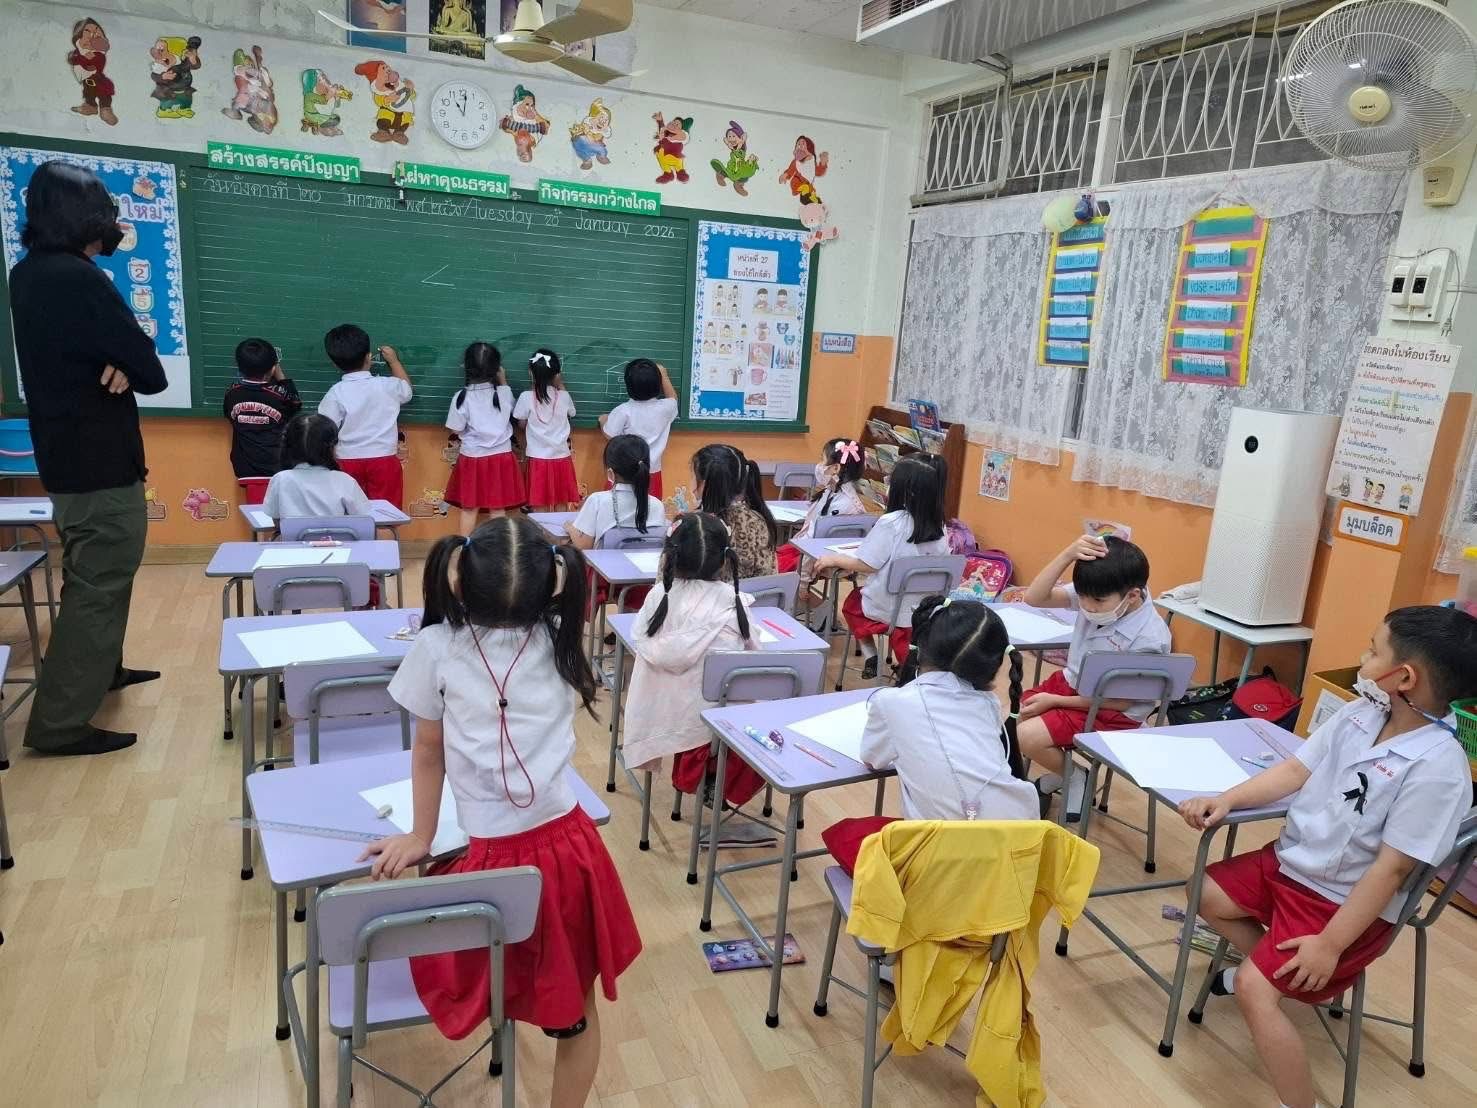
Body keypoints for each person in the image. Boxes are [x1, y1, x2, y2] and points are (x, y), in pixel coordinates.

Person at [362, 516, 641, 1108]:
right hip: (569, 853)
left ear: (456, 578)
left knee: (491, 971)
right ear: (554, 583)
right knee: (578, 1010)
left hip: (489, 867)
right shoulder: (562, 639)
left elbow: (429, 751)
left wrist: (420, 835)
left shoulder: (436, 647)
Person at [1177, 607, 1477, 1108]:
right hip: (1292, 864)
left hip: (1343, 905)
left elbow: (1391, 871)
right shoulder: (1363, 713)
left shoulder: (1437, 768)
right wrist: (1227, 799)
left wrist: (1330, 946)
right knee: (1201, 890)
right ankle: (1273, 968)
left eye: (1373, 650)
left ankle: (1300, 1100)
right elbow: (1296, 770)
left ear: (1404, 678)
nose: (1363, 657)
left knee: (1253, 991)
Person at [8, 161, 167, 756]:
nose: (115, 222)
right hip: (99, 463)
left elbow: (117, 358)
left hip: (68, 458)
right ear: (84, 218)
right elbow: (149, 368)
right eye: (105, 210)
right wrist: (129, 361)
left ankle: (103, 671)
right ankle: (60, 723)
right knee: (99, 584)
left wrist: (124, 361)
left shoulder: (29, 273)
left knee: (90, 574)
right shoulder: (78, 278)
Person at [820, 595, 1041, 874]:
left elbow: (872, 759)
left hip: (943, 867)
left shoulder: (891, 702)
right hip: (1019, 856)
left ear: (921, 649)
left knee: (846, 834)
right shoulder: (989, 704)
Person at [1018, 534, 1171, 820]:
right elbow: (1033, 597)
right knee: (1022, 714)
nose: (1087, 607)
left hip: (1112, 711)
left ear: (1132, 595)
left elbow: (1120, 703)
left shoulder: (1149, 637)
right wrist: (1068, 554)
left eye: (1097, 601)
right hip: (1075, 686)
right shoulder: (1099, 591)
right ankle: (1066, 775)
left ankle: (1075, 776)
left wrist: (1054, 701)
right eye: (1082, 597)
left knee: (1027, 736)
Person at [621, 512, 766, 809]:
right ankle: (714, 777)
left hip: (666, 718)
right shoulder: (732, 599)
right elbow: (755, 656)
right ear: (724, 561)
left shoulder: (659, 597)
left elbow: (641, 642)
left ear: (669, 557)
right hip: (722, 729)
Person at [814, 454, 950, 679]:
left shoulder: (891, 523)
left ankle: (871, 654)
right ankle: (905, 668)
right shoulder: (941, 526)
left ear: (904, 489)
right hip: (923, 611)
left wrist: (833, 559)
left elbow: (866, 564)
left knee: (851, 604)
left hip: (887, 609)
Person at [317, 323, 412, 508]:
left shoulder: (336, 392)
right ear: (369, 357)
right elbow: (407, 390)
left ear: (334, 363)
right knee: (386, 513)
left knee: (349, 513)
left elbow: (324, 428)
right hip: (384, 460)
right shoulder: (388, 386)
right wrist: (394, 362)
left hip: (347, 461)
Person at [444, 342, 522, 535]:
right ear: (497, 369)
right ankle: (499, 547)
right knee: (498, 507)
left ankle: (464, 547)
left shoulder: (461, 397)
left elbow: (455, 428)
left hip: (472, 458)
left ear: (466, 366)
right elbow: (512, 411)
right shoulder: (504, 392)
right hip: (501, 458)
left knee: (469, 508)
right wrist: (503, 381)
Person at [777, 437, 869, 579]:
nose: (819, 465)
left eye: (822, 460)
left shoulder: (844, 504)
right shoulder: (832, 492)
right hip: (808, 551)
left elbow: (814, 542)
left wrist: (802, 580)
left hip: (815, 557)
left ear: (835, 468)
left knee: (771, 565)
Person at [223, 337, 301, 499]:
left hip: (247, 469)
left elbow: (228, 415)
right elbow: (295, 403)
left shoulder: (231, 394)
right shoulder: (280, 395)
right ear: (272, 369)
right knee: (283, 511)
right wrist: (280, 376)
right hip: (278, 467)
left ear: (239, 367)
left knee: (257, 513)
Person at [690, 444, 777, 580]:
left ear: (705, 484)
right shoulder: (757, 522)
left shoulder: (694, 526)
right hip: (748, 594)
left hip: (704, 595)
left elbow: (667, 580)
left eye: (694, 476)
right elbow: (768, 576)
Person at [262, 413, 371, 519]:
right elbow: (363, 517)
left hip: (293, 533)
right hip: (337, 532)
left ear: (288, 446)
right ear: (331, 447)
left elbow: (275, 518)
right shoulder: (345, 480)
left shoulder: (280, 479)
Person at [566, 435, 663, 551]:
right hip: (644, 563)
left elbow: (584, 546)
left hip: (604, 563)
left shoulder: (597, 501)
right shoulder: (657, 505)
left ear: (610, 474)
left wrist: (570, 529)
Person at [599, 359, 678, 499]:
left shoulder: (623, 410)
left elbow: (610, 435)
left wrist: (603, 421)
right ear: (658, 384)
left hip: (623, 474)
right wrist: (664, 376)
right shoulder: (666, 408)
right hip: (652, 473)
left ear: (628, 386)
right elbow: (673, 398)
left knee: (616, 507)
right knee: (649, 508)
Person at [514, 348, 579, 511]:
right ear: (557, 374)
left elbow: (521, 423)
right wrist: (561, 385)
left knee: (539, 505)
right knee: (561, 502)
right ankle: (561, 530)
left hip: (537, 459)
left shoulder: (525, 397)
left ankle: (541, 529)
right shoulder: (563, 396)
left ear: (531, 373)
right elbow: (572, 413)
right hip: (561, 458)